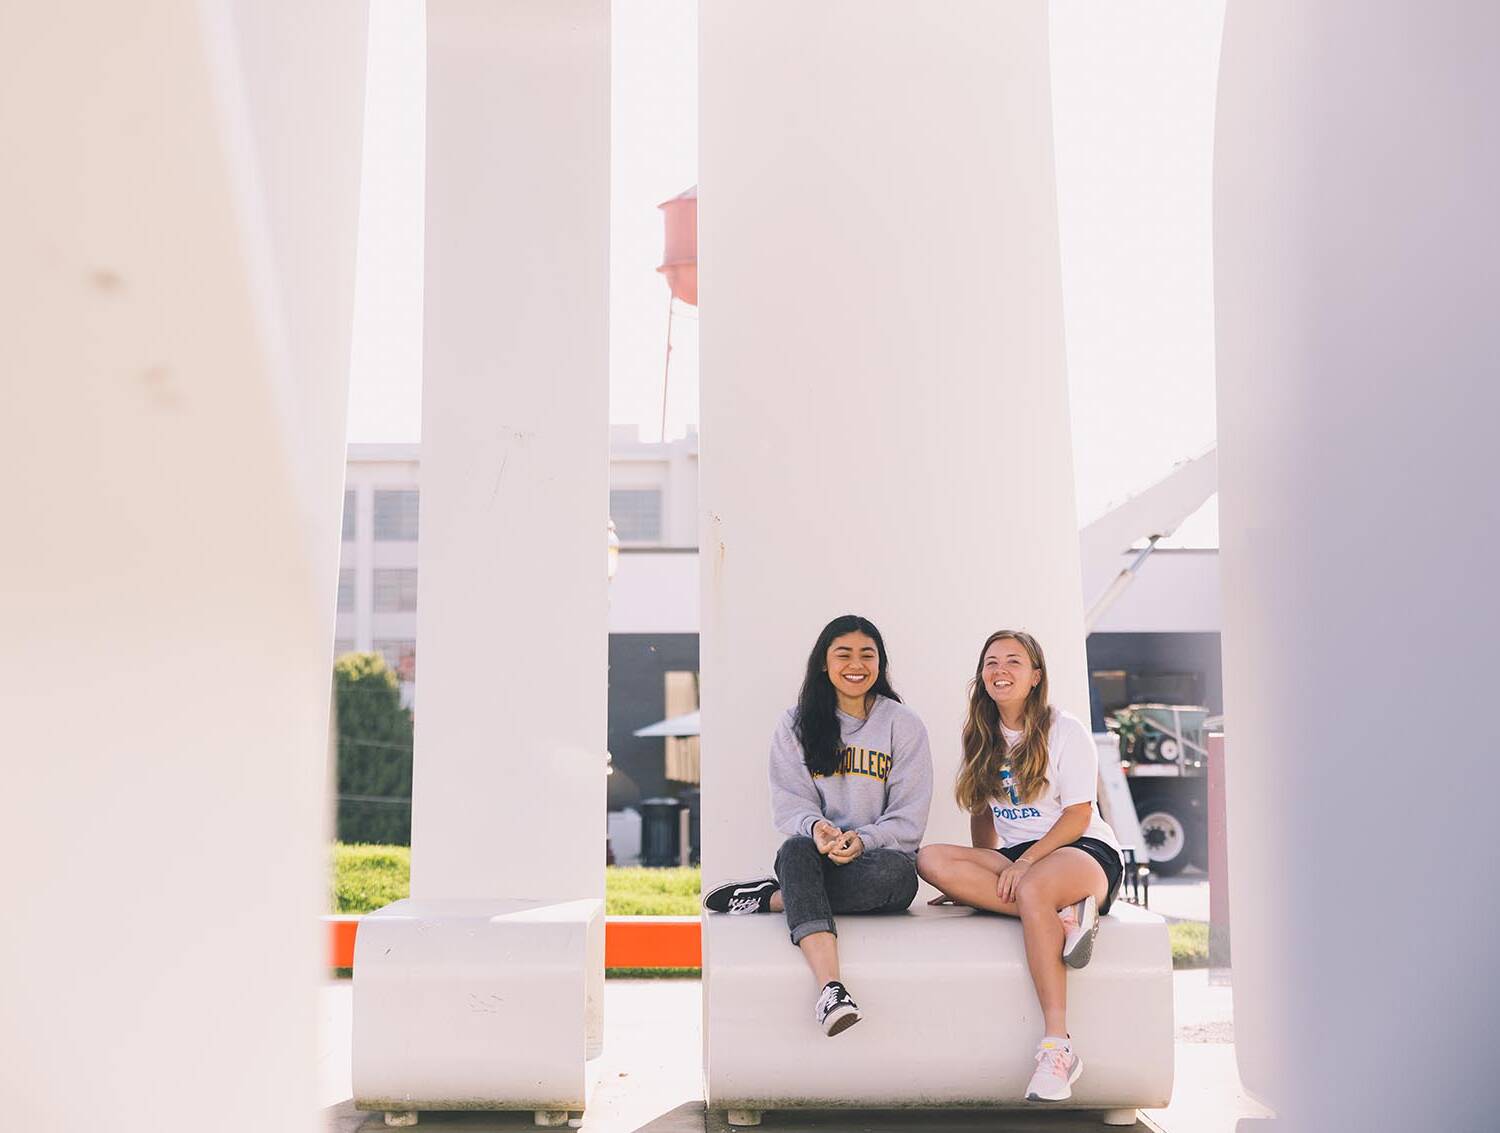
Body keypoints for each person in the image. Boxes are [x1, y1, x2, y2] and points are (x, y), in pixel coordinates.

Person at [916, 630, 1124, 1103]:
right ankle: (1065, 915)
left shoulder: (1063, 729)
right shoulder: (980, 733)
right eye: (991, 662)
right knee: (930, 859)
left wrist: (1026, 863)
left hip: (1082, 850)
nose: (1000, 670)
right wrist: (973, 881)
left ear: (1035, 676)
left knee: (1032, 890)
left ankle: (1058, 1048)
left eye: (1013, 661)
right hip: (1021, 857)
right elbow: (983, 815)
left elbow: (1078, 815)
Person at [702, 614, 933, 1036]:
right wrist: (818, 830)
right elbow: (790, 802)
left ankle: (775, 899)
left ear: (881, 664)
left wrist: (862, 841)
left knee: (898, 875)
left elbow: (908, 816)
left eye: (868, 655)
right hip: (816, 856)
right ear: (824, 664)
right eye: (843, 654)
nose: (856, 664)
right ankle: (831, 989)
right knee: (793, 851)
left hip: (880, 864)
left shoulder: (903, 724)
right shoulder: (795, 724)